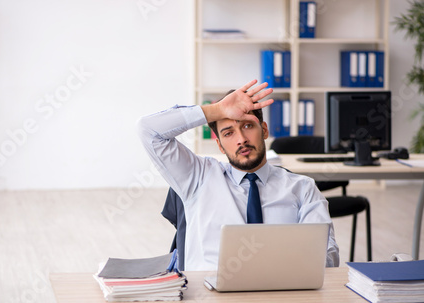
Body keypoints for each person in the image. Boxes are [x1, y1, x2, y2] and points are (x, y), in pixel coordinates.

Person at [137, 79, 339, 270]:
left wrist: (294, 267)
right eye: (228, 133)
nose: (241, 139)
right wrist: (215, 110)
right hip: (209, 298)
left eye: (247, 126)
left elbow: (328, 256)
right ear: (220, 145)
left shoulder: (302, 188)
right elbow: (149, 130)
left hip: (280, 295)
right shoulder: (198, 177)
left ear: (264, 130)